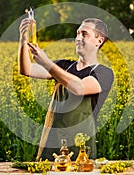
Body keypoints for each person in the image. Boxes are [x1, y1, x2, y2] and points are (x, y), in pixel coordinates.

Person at [18, 17, 114, 161]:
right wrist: (23, 40)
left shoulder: (104, 73)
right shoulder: (64, 66)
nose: (78, 38)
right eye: (77, 33)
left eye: (84, 34)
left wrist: (46, 62)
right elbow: (27, 69)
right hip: (50, 143)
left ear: (99, 41)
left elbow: (79, 88)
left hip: (80, 148)